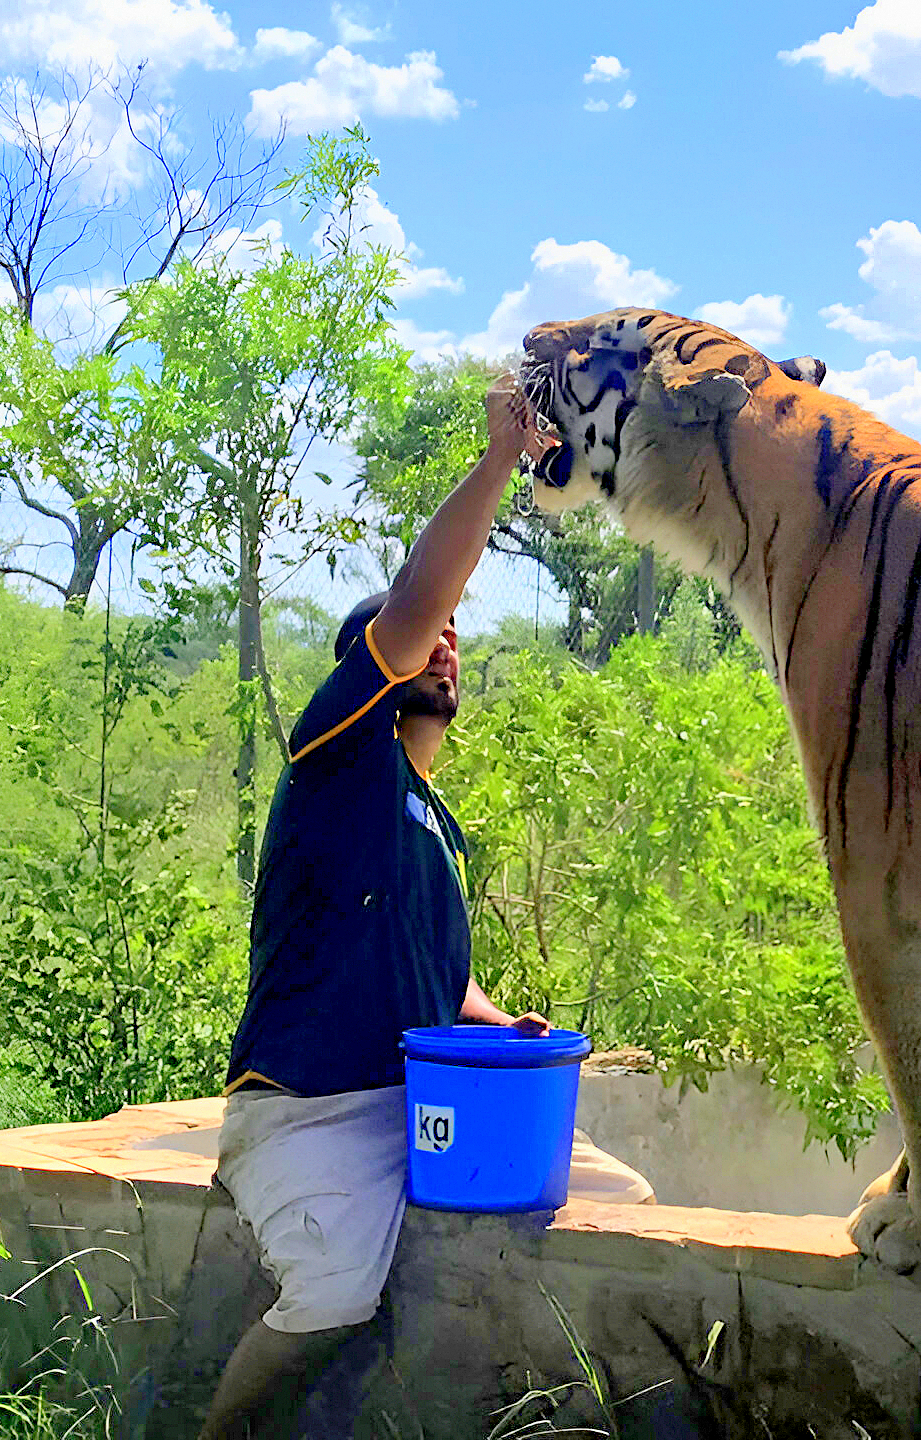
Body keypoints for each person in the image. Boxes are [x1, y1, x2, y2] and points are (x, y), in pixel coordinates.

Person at [199, 376, 650, 1440]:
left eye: (453, 634)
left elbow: (439, 974)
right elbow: (411, 603)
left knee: (617, 1205)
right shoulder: (336, 758)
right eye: (425, 631)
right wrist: (500, 459)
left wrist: (498, 1024)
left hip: (420, 1105)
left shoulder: (431, 820)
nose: (444, 639)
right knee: (333, 1292)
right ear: (369, 668)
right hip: (307, 1110)